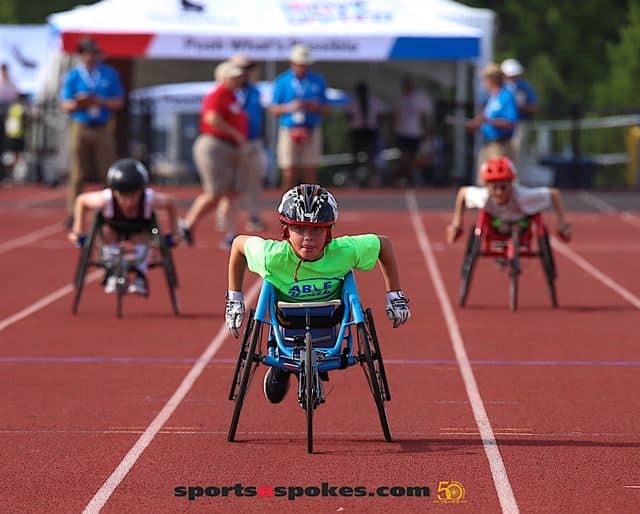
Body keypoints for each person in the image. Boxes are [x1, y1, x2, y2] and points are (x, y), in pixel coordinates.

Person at [225, 184, 411, 403]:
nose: (308, 237)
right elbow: (238, 245)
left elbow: (384, 245)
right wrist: (234, 299)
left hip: (330, 321)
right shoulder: (271, 256)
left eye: (316, 229)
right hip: (286, 321)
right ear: (286, 229)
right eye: (299, 228)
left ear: (328, 230)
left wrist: (395, 296)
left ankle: (298, 368)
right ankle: (284, 368)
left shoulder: (344, 251)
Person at [68, 158, 179, 295]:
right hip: (112, 226)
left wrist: (175, 232)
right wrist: (77, 230)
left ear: (141, 191)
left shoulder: (149, 199)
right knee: (107, 233)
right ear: (114, 192)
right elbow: (81, 201)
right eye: (123, 195)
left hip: (144, 228)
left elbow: (171, 203)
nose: (128, 201)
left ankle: (140, 275)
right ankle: (111, 273)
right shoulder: (105, 199)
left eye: (133, 195)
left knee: (154, 234)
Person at [179, 61, 248, 249]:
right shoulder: (217, 94)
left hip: (231, 147)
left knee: (232, 192)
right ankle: (187, 224)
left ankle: (229, 234)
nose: (238, 80)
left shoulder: (234, 96)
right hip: (215, 145)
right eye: (233, 77)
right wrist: (235, 133)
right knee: (214, 192)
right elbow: (212, 118)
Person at [60, 37, 124, 225]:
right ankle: (74, 213)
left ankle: (110, 211)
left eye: (94, 52)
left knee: (108, 171)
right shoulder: (73, 75)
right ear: (81, 55)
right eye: (88, 53)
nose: (91, 56)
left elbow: (119, 102)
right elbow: (65, 103)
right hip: (81, 125)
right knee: (78, 172)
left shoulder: (108, 74)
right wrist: (79, 103)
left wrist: (99, 101)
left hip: (102, 126)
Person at [446, 156, 572, 245]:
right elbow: (463, 193)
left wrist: (562, 224)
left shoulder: (523, 196)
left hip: (521, 224)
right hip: (496, 224)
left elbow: (554, 194)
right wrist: (457, 224)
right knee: (488, 220)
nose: (499, 192)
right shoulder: (483, 196)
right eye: (494, 188)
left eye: (503, 187)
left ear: (511, 184)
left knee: (524, 222)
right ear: (487, 186)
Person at [270, 44, 329, 190]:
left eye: (304, 64)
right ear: (292, 63)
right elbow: (274, 109)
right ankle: (288, 201)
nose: (302, 68)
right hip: (289, 128)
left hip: (311, 128)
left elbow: (326, 108)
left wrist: (315, 107)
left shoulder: (318, 80)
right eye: (299, 64)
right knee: (289, 169)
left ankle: (311, 201)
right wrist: (290, 107)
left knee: (310, 168)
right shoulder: (282, 81)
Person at [466, 63, 518, 184]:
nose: (483, 83)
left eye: (485, 79)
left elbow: (510, 122)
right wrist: (477, 123)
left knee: (498, 181)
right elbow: (486, 118)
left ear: (493, 79)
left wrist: (487, 121)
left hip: (500, 145)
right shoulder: (492, 98)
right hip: (488, 144)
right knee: (484, 180)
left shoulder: (506, 97)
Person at [343, 81, 388, 187]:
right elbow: (347, 115)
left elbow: (382, 114)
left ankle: (373, 178)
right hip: (357, 131)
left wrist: (375, 123)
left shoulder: (374, 101)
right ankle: (354, 179)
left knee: (371, 155)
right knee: (355, 156)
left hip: (370, 131)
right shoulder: (353, 102)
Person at [392, 76, 433, 186]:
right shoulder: (399, 100)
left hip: (415, 133)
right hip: (401, 132)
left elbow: (424, 117)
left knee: (412, 157)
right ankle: (403, 177)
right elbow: (394, 117)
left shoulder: (420, 100)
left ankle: (408, 176)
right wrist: (391, 132)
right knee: (403, 156)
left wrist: (426, 132)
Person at [501, 58, 538, 167]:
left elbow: (533, 107)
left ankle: (514, 175)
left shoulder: (524, 88)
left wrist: (517, 106)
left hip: (519, 124)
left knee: (516, 151)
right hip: (502, 126)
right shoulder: (501, 88)